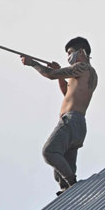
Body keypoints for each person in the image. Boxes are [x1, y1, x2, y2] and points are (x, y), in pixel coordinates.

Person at [21, 37, 98, 193]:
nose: (69, 57)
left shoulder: (82, 67)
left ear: (81, 52)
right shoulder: (88, 75)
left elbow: (50, 74)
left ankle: (72, 183)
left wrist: (33, 63)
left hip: (71, 121)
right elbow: (67, 93)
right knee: (62, 169)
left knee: (49, 152)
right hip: (78, 124)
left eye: (70, 53)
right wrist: (61, 75)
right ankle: (68, 190)